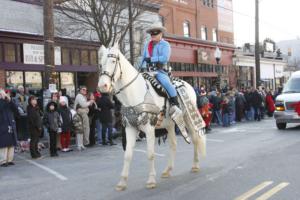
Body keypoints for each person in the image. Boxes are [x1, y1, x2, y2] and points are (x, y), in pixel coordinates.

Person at [141, 23, 190, 143]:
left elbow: (164, 58)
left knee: (166, 83)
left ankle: (175, 104)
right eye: (151, 33)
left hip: (160, 71)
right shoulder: (147, 45)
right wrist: (140, 67)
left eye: (155, 33)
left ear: (160, 34)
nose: (152, 35)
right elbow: (142, 58)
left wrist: (151, 59)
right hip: (147, 71)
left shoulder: (165, 44)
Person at [0, 90, 18, 167]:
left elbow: (15, 109)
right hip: (2, 125)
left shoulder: (9, 101)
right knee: (4, 144)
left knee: (11, 143)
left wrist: (9, 99)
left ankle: (9, 160)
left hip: (11, 123)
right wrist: (3, 99)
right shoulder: (1, 102)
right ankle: (3, 161)